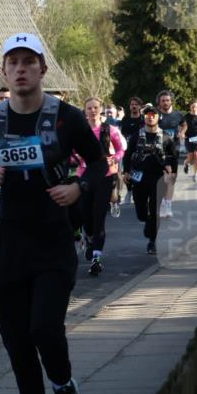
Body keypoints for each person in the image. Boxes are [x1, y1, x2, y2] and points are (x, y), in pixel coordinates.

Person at [0, 33, 102, 394]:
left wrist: (78, 187)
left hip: (53, 238)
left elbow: (97, 164)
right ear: (4, 71)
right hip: (8, 238)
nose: (21, 69)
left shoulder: (67, 117)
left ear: (42, 69)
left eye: (29, 61)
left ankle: (63, 385)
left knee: (45, 327)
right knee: (16, 336)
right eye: (14, 62)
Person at [71, 97, 125, 276]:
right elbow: (70, 152)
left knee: (99, 216)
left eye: (95, 107)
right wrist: (76, 159)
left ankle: (96, 259)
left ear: (100, 110)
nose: (92, 111)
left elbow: (120, 149)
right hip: (84, 176)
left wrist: (115, 158)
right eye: (89, 108)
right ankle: (90, 237)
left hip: (105, 176)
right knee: (83, 211)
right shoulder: (79, 130)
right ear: (85, 110)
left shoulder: (109, 129)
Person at [123, 104, 175, 254]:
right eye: (147, 115)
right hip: (139, 177)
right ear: (144, 117)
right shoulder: (136, 135)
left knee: (155, 210)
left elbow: (173, 156)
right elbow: (127, 154)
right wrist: (126, 171)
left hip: (158, 178)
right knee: (141, 211)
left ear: (158, 117)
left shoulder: (165, 137)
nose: (150, 117)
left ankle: (152, 241)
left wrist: (172, 173)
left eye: (153, 114)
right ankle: (147, 221)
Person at [155, 90, 185, 217]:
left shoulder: (178, 114)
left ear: (171, 101)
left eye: (167, 100)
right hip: (159, 151)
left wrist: (182, 132)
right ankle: (162, 203)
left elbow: (184, 125)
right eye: (163, 100)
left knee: (171, 179)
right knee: (163, 178)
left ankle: (168, 205)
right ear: (159, 102)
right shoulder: (155, 114)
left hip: (174, 150)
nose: (165, 102)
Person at [183, 99, 197, 182]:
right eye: (192, 107)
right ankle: (186, 163)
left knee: (196, 155)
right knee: (190, 157)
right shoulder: (186, 116)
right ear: (190, 107)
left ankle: (195, 175)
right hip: (188, 138)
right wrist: (182, 133)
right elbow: (181, 127)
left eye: (195, 107)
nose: (194, 108)